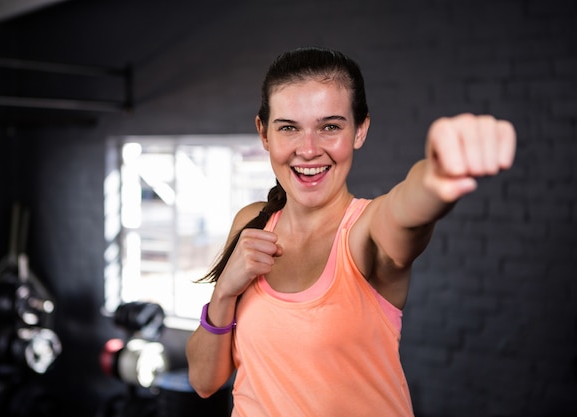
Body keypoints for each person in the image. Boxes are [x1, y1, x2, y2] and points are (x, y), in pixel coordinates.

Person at [185, 46, 516, 416]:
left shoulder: (365, 231)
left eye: (330, 127)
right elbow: (203, 381)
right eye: (289, 128)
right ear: (264, 134)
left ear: (360, 130)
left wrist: (439, 176)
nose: (308, 150)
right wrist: (225, 292)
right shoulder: (253, 222)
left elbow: (406, 209)